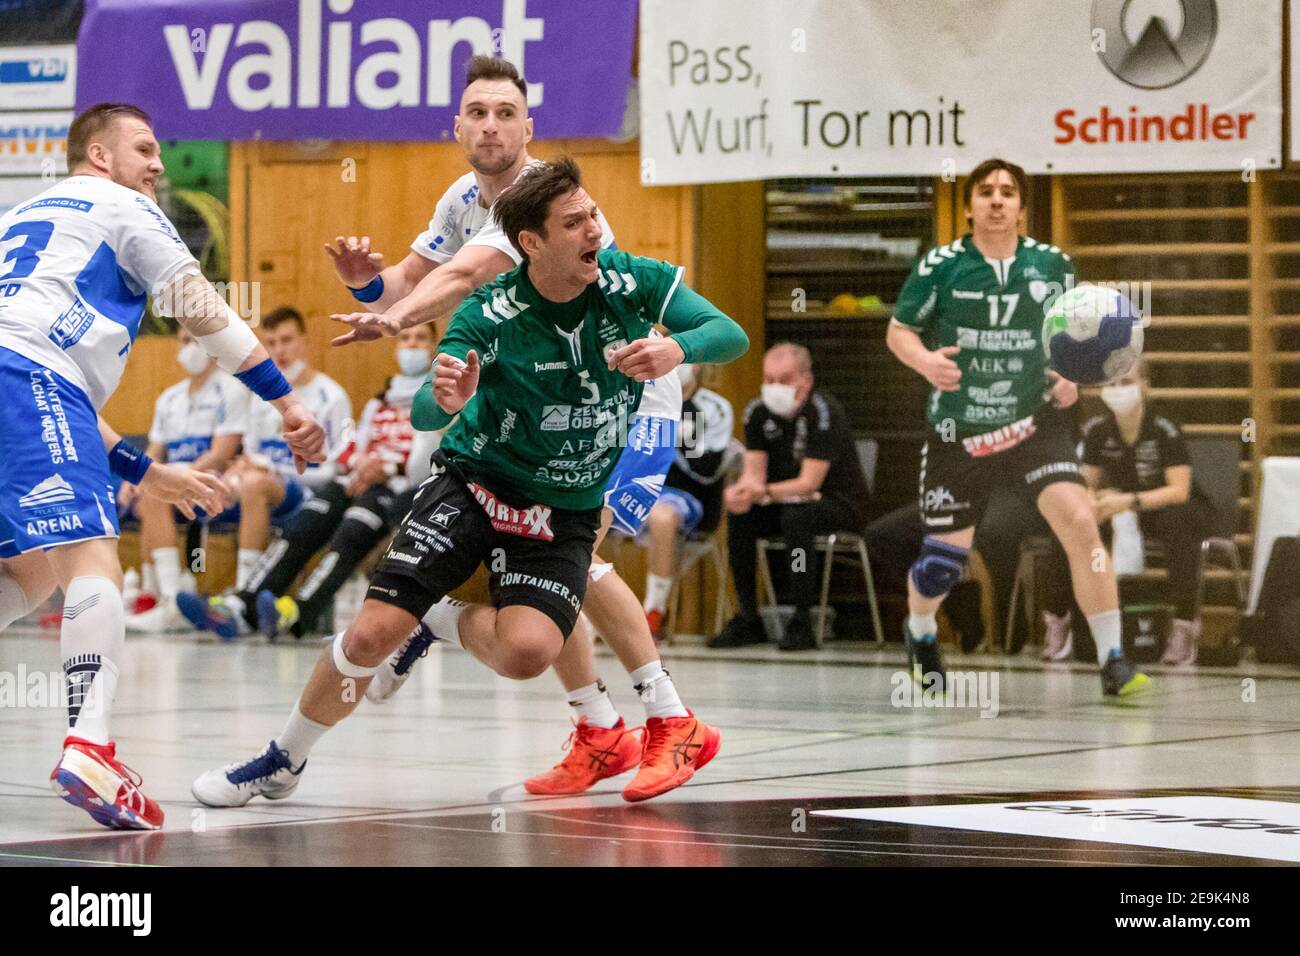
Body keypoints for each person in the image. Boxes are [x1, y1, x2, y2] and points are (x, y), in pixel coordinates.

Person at [191, 157, 748, 809]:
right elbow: (426, 398)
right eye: (577, 222)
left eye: (595, 214)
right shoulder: (489, 296)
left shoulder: (631, 281)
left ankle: (506, 656)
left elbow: (728, 333)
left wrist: (678, 348)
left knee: (528, 649)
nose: (597, 229)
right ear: (531, 244)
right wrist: (448, 396)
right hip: (477, 485)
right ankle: (281, 760)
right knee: (371, 633)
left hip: (573, 492)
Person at [325, 55, 721, 799]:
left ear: (528, 127)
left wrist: (394, 320)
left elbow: (465, 279)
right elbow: (411, 279)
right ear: (457, 126)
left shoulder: (541, 204)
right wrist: (367, 288)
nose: (491, 125)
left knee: (582, 559)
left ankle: (672, 719)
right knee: (548, 561)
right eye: (477, 111)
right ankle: (600, 728)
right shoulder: (458, 197)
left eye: (505, 112)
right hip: (541, 412)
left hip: (626, 409)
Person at [0, 102, 325, 830]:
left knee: (30, 572)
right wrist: (285, 400)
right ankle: (90, 744)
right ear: (100, 156)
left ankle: (89, 741)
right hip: (26, 381)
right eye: (144, 148)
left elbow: (49, 384)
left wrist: (145, 473)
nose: (157, 166)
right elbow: (201, 306)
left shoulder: (21, 222)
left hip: (24, 383)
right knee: (89, 562)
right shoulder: (123, 205)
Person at [884, 156, 1150, 698]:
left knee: (1081, 523)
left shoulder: (1053, 265)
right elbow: (899, 332)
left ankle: (1114, 659)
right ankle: (920, 632)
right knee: (943, 562)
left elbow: (1075, 340)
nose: (998, 200)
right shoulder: (942, 265)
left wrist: (1073, 378)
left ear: (1023, 209)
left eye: (1008, 193)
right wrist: (925, 362)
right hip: (962, 430)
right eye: (986, 192)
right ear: (969, 208)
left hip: (1035, 423)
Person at [186, 325, 434, 640]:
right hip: (357, 481)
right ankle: (242, 604)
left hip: (399, 488)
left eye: (420, 338)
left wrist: (387, 467)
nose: (411, 345)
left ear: (433, 346)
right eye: (405, 338)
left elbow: (430, 459)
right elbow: (354, 446)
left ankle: (297, 612)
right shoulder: (379, 402)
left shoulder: (436, 399)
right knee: (306, 523)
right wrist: (359, 465)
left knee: (351, 532)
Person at [1040, 359, 1213, 665]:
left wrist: (1129, 501)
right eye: (1112, 384)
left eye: (1127, 382)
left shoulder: (1164, 428)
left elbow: (1179, 491)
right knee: (1072, 521)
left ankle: (1185, 627)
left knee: (1179, 523)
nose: (1118, 390)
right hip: (1121, 509)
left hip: (1167, 509)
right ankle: (1059, 620)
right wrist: (1093, 502)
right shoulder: (1097, 431)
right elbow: (1086, 484)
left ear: (1144, 386)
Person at [710, 343, 877, 651]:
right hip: (784, 500)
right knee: (742, 514)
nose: (774, 388)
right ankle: (749, 618)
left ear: (806, 380)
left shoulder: (824, 412)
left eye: (784, 380)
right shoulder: (757, 413)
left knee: (798, 516)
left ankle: (803, 620)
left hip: (839, 503)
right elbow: (754, 473)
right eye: (769, 379)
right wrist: (743, 490)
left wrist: (765, 492)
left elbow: (810, 483)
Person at [118, 327, 250, 632]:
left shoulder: (231, 390)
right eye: (184, 341)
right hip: (174, 477)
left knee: (152, 493)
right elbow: (154, 449)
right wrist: (134, 477)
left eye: (197, 341)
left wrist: (177, 477)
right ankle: (153, 594)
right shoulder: (169, 398)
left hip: (212, 478)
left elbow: (221, 452)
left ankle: (170, 598)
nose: (190, 347)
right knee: (141, 493)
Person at [213, 307, 353, 592]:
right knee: (217, 485)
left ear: (304, 340)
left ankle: (245, 590)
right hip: (266, 484)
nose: (280, 350)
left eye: (287, 340)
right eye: (272, 343)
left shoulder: (332, 395)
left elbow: (338, 469)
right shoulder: (260, 397)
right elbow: (252, 451)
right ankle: (182, 583)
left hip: (310, 492)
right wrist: (241, 466)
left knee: (254, 484)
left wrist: (277, 471)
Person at [640, 363, 736, 643]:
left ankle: (654, 612)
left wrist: (682, 436)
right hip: (640, 489)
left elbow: (707, 469)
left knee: (662, 517)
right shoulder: (644, 399)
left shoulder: (711, 407)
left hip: (690, 497)